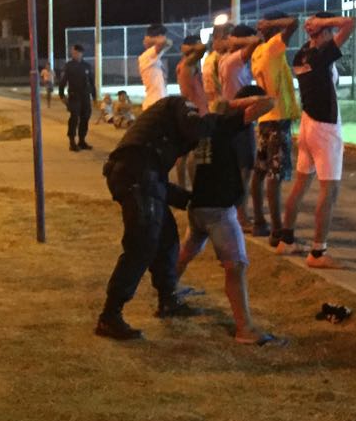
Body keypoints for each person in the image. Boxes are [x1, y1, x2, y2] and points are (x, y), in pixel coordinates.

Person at [176, 84, 286, 346]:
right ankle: (244, 328)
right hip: (219, 210)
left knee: (187, 251)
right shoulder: (228, 124)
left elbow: (186, 162)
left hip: (198, 206)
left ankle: (167, 292)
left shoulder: (203, 127)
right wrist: (236, 104)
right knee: (235, 266)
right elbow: (269, 102)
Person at [96, 96, 205, 339]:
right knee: (142, 243)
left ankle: (168, 299)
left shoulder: (160, 133)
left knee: (166, 237)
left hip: (139, 177)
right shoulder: (180, 107)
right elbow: (146, 177)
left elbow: (158, 184)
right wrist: (219, 124)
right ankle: (109, 316)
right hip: (135, 177)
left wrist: (191, 198)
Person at [277, 12, 356, 268]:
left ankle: (286, 240)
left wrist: (316, 27)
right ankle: (318, 253)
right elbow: (350, 23)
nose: (333, 35)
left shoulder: (301, 55)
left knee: (301, 184)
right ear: (323, 33)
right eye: (329, 31)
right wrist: (323, 23)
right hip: (325, 127)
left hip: (308, 124)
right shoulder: (321, 56)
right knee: (329, 191)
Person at [249, 13, 301, 243]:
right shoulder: (272, 47)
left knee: (260, 171)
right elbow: (294, 23)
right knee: (275, 174)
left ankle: (260, 221)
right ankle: (277, 230)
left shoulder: (258, 51)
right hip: (278, 118)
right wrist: (272, 24)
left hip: (264, 118)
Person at [217, 24, 260, 227]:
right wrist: (238, 41)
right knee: (245, 168)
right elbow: (257, 41)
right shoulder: (235, 59)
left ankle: (233, 212)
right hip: (240, 117)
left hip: (230, 117)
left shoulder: (224, 59)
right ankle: (241, 216)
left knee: (235, 168)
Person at [173, 35, 208, 189]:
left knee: (183, 154)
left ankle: (183, 187)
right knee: (198, 155)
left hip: (188, 111)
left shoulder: (182, 65)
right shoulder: (188, 63)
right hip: (199, 114)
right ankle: (197, 189)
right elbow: (202, 48)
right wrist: (191, 48)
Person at [57, 43, 94, 152]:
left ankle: (82, 141)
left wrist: (94, 96)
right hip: (74, 96)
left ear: (81, 53)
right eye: (73, 52)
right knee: (74, 118)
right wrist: (62, 95)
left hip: (85, 96)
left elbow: (92, 82)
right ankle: (72, 142)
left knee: (85, 118)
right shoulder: (68, 66)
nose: (74, 54)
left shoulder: (86, 66)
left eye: (76, 52)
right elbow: (62, 82)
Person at [137, 26, 170, 110]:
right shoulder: (147, 55)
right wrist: (149, 39)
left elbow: (168, 43)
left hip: (157, 102)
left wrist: (152, 39)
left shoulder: (154, 56)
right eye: (161, 36)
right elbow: (164, 42)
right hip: (154, 104)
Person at [202, 23, 231, 110]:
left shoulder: (211, 58)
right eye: (227, 38)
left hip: (217, 106)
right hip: (220, 107)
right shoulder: (215, 58)